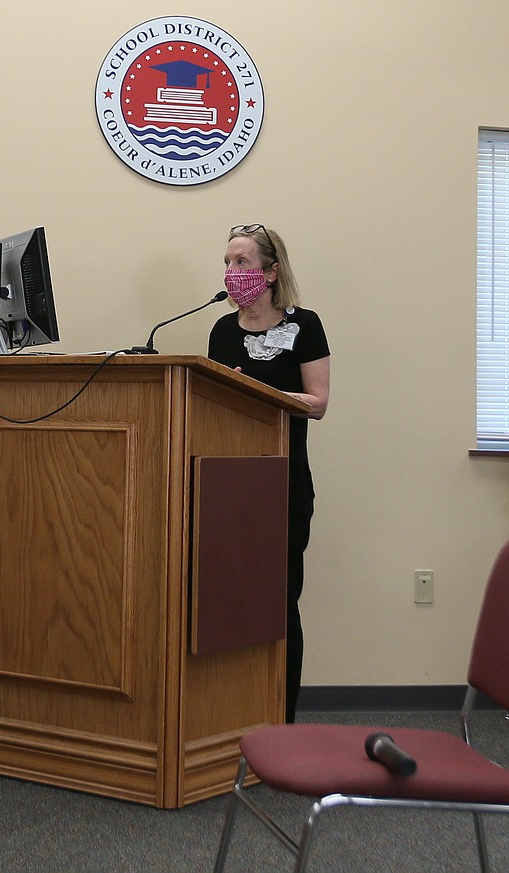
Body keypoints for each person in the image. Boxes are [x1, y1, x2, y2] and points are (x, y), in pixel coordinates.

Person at [207, 224, 330, 723]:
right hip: (228, 486)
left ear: (271, 272)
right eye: (228, 262)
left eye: (242, 262)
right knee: (228, 600)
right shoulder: (220, 330)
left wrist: (255, 392)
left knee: (279, 601)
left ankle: (282, 719)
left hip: (282, 486)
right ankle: (231, 712)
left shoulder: (306, 325)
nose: (232, 272)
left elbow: (317, 404)